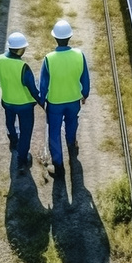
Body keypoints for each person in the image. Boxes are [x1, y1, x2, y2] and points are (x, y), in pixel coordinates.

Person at [40, 19, 89, 176]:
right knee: (72, 122)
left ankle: (58, 166)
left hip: (55, 103)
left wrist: (42, 102)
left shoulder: (49, 59)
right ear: (70, 37)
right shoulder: (79, 55)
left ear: (55, 38)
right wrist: (85, 94)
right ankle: (71, 144)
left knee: (54, 132)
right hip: (74, 100)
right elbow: (85, 79)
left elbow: (43, 85)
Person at [0, 31, 42, 173]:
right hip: (25, 106)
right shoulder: (23, 67)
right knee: (26, 133)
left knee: (10, 122)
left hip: (7, 102)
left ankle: (13, 141)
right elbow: (33, 90)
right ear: (21, 49)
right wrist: (42, 103)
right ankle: (21, 161)